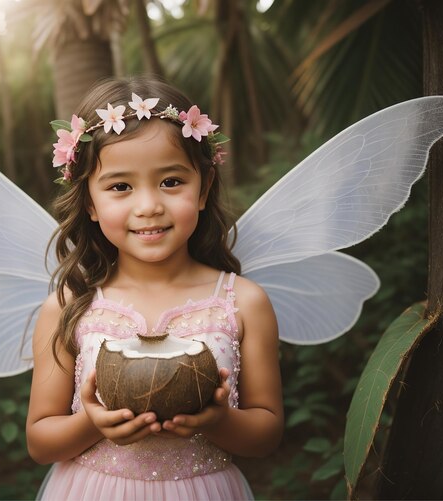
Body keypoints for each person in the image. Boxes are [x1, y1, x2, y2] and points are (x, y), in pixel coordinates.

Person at [26, 76, 283, 500]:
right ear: (90, 203)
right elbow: (40, 441)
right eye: (120, 187)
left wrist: (220, 420)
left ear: (203, 189)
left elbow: (267, 433)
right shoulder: (70, 305)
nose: (148, 206)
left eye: (170, 182)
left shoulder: (243, 302)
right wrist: (92, 421)